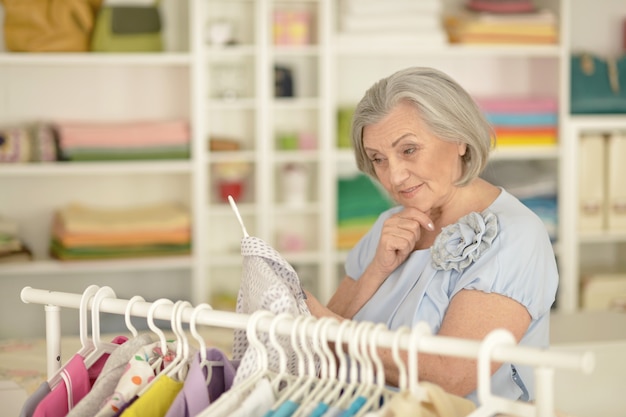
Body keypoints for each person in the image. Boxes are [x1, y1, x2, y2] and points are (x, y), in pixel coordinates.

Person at [304, 66, 558, 404]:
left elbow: (451, 375)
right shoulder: (388, 225)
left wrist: (330, 327)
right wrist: (376, 271)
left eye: (408, 150)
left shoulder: (516, 237)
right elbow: (323, 348)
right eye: (378, 159)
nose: (393, 176)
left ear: (460, 139)